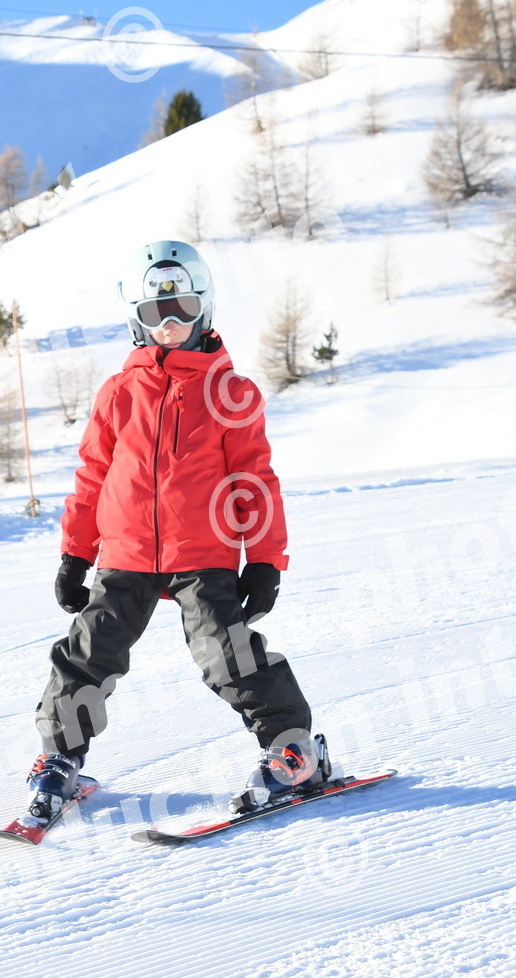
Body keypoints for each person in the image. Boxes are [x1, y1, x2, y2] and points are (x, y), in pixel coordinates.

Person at [22, 239, 331, 826]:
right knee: (88, 654)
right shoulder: (119, 393)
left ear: (204, 309)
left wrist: (265, 559)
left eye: (182, 309)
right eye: (154, 313)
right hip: (126, 553)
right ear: (136, 320)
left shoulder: (231, 393)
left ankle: (293, 750)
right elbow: (92, 477)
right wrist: (75, 553)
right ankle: (60, 758)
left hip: (204, 553)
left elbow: (254, 481)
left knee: (227, 653)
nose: (169, 324)